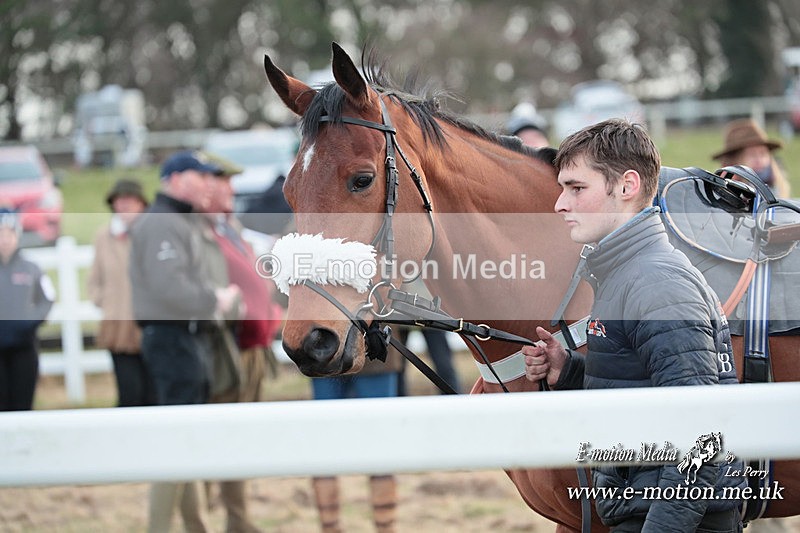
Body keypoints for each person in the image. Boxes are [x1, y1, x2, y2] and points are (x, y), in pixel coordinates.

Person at [523, 119, 746, 531]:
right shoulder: (627, 272)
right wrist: (568, 370)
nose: (560, 204)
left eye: (576, 188)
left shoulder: (656, 283)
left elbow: (702, 434)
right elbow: (643, 388)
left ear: (627, 186)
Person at [129, 150, 241, 533]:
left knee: (184, 437)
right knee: (176, 440)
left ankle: (196, 525)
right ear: (175, 180)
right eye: (199, 175)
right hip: (172, 338)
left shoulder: (174, 219)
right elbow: (169, 286)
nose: (208, 183)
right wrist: (214, 298)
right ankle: (160, 527)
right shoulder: (163, 222)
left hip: (183, 338)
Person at [201, 151, 285, 533]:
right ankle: (215, 514)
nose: (230, 190)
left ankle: (238, 516)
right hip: (228, 350)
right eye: (223, 182)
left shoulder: (232, 228)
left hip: (253, 348)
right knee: (219, 436)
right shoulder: (203, 232)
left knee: (240, 438)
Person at [310, 346, 404, 533]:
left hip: (372, 352)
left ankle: (386, 528)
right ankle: (330, 527)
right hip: (324, 352)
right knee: (324, 448)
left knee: (381, 448)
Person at [88, 178, 155, 407]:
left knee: (153, 393)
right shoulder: (103, 237)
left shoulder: (152, 233)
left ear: (141, 203)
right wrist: (107, 302)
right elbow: (94, 279)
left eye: (130, 200)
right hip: (117, 325)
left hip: (149, 325)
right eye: (120, 201)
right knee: (129, 392)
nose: (124, 206)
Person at [0, 208, 54, 411]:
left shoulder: (31, 268)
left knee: (23, 401)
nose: (5, 240)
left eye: (9, 234)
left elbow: (47, 299)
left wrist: (29, 322)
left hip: (23, 345)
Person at [712, 118, 791, 198]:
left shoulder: (777, 188)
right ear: (734, 161)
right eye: (752, 154)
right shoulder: (723, 193)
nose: (759, 160)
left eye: (763, 153)